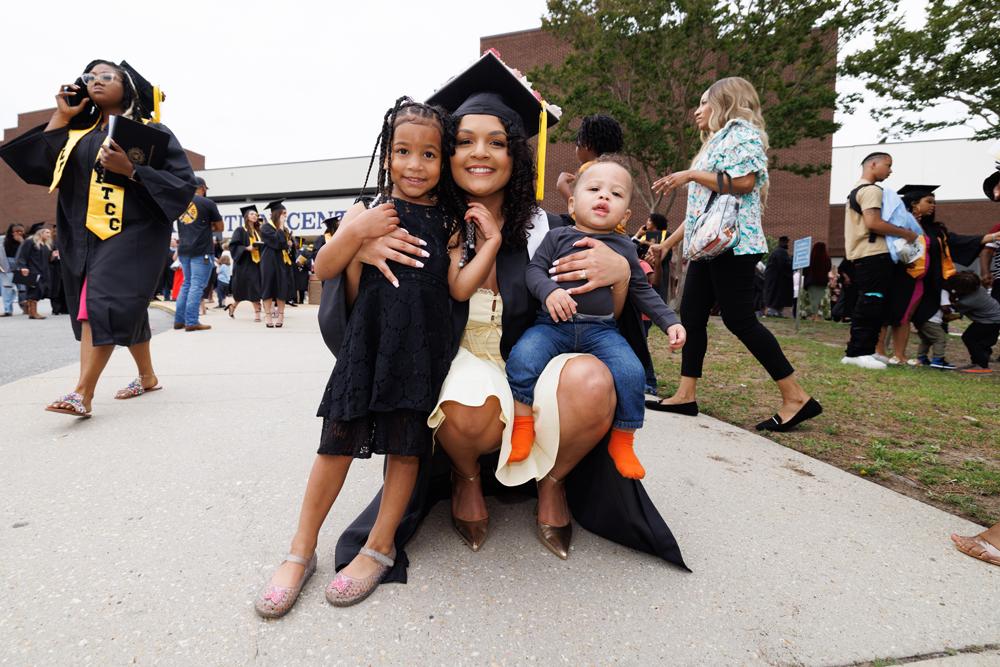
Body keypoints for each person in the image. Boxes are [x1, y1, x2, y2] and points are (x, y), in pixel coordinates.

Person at [331, 52, 686, 584]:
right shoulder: (419, 222)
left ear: (517, 156)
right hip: (461, 368)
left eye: (497, 142)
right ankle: (465, 475)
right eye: (465, 141)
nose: (480, 154)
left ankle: (554, 481)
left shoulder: (553, 228)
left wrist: (618, 275)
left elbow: (606, 321)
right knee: (464, 408)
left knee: (595, 381)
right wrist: (357, 252)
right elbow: (363, 316)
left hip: (540, 366)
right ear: (446, 153)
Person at [255, 96, 492, 614]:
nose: (414, 165)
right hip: (367, 348)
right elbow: (323, 266)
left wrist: (490, 245)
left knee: (406, 451)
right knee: (335, 445)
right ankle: (300, 550)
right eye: (403, 151)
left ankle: (380, 546)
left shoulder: (451, 222)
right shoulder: (368, 212)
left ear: (443, 159)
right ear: (387, 155)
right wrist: (356, 231)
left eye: (428, 155)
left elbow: (457, 290)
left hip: (419, 354)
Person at [0, 59, 195, 416]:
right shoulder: (79, 134)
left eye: (108, 76)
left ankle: (81, 393)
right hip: (83, 233)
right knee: (120, 307)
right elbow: (41, 168)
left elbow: (182, 186)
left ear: (128, 87)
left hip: (134, 231)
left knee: (99, 300)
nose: (96, 81)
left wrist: (133, 170)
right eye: (90, 77)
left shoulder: (151, 132)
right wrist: (61, 116)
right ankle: (147, 376)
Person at [645, 77, 821, 432]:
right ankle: (685, 394)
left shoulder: (741, 132)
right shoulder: (717, 142)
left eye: (704, 103)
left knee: (740, 320)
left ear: (724, 103)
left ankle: (796, 397)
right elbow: (701, 212)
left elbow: (745, 182)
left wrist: (691, 174)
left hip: (734, 245)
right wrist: (666, 244)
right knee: (692, 317)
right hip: (710, 247)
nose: (697, 111)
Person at [505, 157, 686, 480]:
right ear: (573, 203)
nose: (604, 197)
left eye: (616, 194)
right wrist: (549, 291)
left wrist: (670, 321)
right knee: (523, 357)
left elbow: (642, 291)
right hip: (552, 325)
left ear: (627, 215)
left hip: (601, 329)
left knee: (632, 372)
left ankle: (623, 438)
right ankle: (522, 426)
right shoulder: (557, 237)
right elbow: (533, 271)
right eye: (594, 189)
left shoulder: (625, 249)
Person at [838, 152, 919, 369]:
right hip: (872, 254)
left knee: (874, 302)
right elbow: (873, 222)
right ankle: (858, 352)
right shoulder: (871, 191)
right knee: (871, 302)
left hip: (867, 255)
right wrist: (906, 233)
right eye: (888, 165)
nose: (891, 170)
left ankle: (867, 350)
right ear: (873, 164)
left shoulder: (856, 191)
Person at [173, 177, 222, 332]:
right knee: (197, 285)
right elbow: (220, 226)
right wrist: (208, 227)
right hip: (201, 250)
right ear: (202, 188)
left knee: (186, 284)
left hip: (184, 250)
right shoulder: (207, 203)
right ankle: (192, 321)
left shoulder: (180, 202)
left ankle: (179, 320)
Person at [555, 114, 625, 204]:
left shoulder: (589, 169)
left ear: (586, 145)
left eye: (577, 144)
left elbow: (584, 211)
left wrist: (562, 187)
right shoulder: (618, 172)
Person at [944, 271, 1000, 373]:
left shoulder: (968, 301)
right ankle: (978, 361)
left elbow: (951, 310)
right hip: (994, 318)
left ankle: (982, 366)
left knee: (970, 338)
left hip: (989, 321)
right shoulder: (979, 288)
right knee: (983, 341)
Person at [258, 200, 293, 328]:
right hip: (268, 261)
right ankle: (267, 315)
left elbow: (284, 244)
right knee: (267, 287)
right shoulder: (265, 227)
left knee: (281, 287)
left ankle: (281, 314)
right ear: (277, 214)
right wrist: (281, 229)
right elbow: (276, 243)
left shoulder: (284, 228)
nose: (285, 215)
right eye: (284, 213)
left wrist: (284, 232)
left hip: (281, 261)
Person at [227, 206, 263, 321]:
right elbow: (233, 245)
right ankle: (233, 306)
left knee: (256, 288)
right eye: (252, 214)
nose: (255, 216)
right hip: (243, 264)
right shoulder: (240, 230)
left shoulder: (258, 231)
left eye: (256, 215)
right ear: (246, 216)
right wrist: (247, 248)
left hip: (256, 264)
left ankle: (257, 314)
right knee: (241, 290)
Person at [14, 222, 53, 319]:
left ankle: (30, 310)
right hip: (32, 270)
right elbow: (22, 255)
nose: (49, 235)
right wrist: (23, 267)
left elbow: (47, 259)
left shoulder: (45, 244)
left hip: (43, 271)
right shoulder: (30, 242)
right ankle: (33, 312)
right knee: (34, 290)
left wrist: (53, 256)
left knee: (39, 290)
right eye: (46, 233)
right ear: (40, 233)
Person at [763, 236, 793, 317]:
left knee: (773, 296)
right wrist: (793, 261)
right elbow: (785, 266)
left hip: (774, 280)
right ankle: (773, 312)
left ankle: (775, 311)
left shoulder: (776, 252)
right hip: (777, 281)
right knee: (776, 297)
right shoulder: (781, 252)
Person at [802, 241, 832, 320]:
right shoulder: (827, 259)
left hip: (811, 282)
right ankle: (818, 316)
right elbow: (828, 268)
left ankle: (811, 315)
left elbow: (804, 271)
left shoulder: (810, 258)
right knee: (819, 299)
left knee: (812, 299)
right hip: (822, 282)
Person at [3, 224, 26, 315]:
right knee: (7, 288)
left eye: (21, 231)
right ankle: (8, 310)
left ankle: (25, 307)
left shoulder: (25, 241)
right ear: (11, 232)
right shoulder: (4, 241)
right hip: (7, 265)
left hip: (20, 265)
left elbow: (27, 252)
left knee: (22, 288)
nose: (19, 233)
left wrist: (22, 242)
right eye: (16, 231)